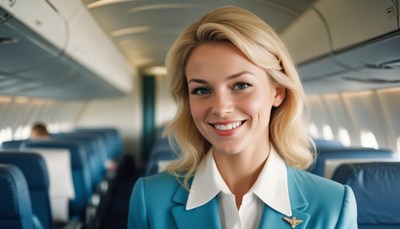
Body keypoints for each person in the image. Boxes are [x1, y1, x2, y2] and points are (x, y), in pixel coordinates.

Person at [128, 6, 357, 229]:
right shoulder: (151, 200)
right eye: (201, 90)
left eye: (241, 85)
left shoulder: (333, 205)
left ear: (277, 92)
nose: (220, 108)